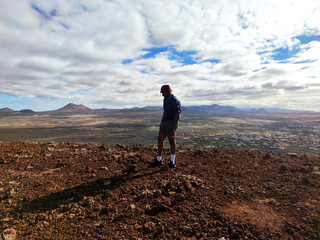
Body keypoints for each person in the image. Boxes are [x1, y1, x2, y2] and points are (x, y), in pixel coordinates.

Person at [152, 84, 181, 168]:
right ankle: (158, 160)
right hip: (165, 121)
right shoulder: (165, 99)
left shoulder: (175, 101)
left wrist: (173, 127)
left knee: (171, 140)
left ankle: (172, 162)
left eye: (163, 92)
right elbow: (165, 111)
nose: (162, 94)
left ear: (168, 91)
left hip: (172, 122)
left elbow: (177, 114)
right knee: (160, 139)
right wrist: (162, 122)